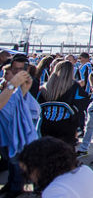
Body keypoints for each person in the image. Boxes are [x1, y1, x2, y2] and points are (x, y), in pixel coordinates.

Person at [0, 54, 38, 198]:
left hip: (15, 132)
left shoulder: (27, 83)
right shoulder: (8, 85)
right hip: (5, 132)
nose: (16, 74)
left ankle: (16, 187)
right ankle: (12, 184)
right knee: (10, 161)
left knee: (15, 162)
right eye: (13, 70)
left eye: (20, 70)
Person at [19, 136, 93, 198]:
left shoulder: (55, 191)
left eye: (28, 171)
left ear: (42, 167)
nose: (29, 177)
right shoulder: (85, 170)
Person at [37, 61, 90, 145]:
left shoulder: (45, 86)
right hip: (66, 124)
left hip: (46, 123)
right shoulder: (74, 86)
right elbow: (82, 103)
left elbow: (38, 104)